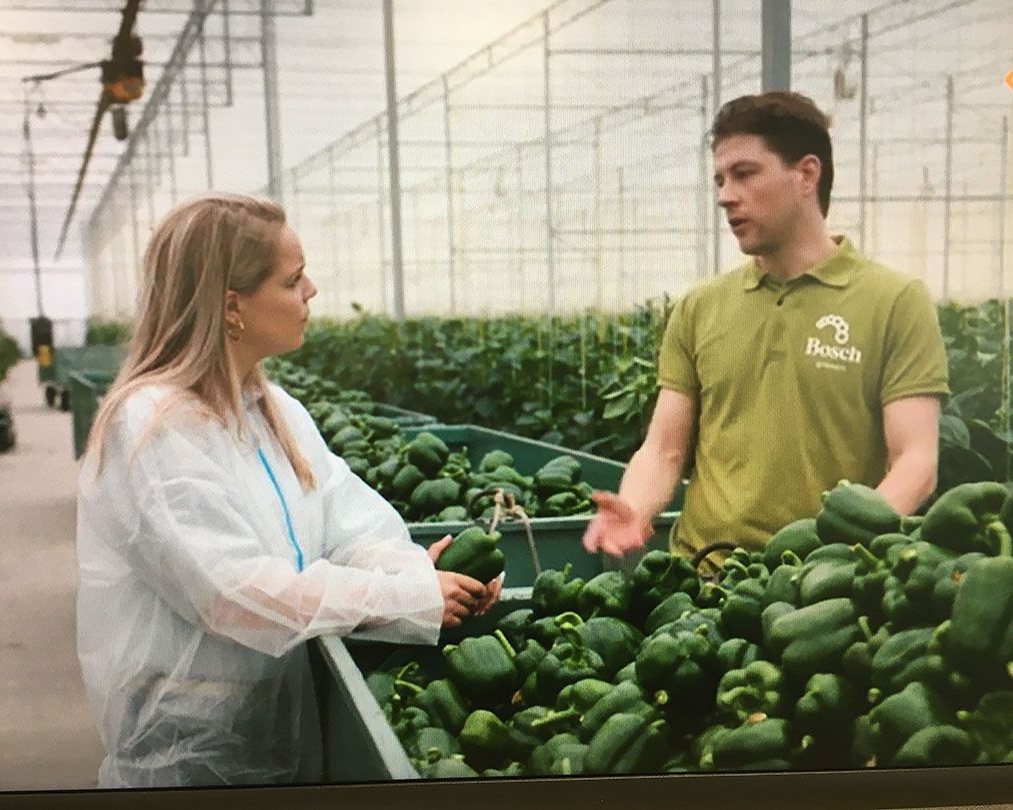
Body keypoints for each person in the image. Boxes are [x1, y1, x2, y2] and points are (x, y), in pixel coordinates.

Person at [75, 193, 500, 788]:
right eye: (293, 279)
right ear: (232, 307)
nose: (312, 292)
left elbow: (351, 523)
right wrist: (399, 598)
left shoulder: (274, 412)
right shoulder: (153, 429)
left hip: (274, 726)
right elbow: (231, 592)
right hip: (188, 751)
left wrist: (419, 575)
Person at [583, 91, 949, 564]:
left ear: (806, 174)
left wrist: (836, 558)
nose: (724, 195)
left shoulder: (895, 301)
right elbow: (664, 450)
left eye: (744, 174)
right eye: (718, 179)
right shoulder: (700, 306)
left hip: (819, 596)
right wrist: (635, 506)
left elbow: (915, 462)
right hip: (703, 579)